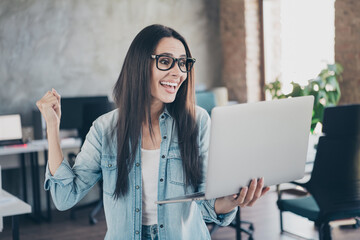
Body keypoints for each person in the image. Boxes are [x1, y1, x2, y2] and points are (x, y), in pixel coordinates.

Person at [36, 24, 270, 240]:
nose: (178, 72)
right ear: (139, 64)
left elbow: (205, 206)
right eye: (166, 61)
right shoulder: (104, 129)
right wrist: (52, 127)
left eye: (183, 63)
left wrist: (231, 201)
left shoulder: (197, 121)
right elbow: (65, 197)